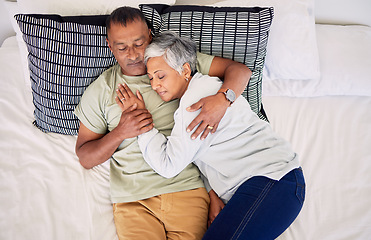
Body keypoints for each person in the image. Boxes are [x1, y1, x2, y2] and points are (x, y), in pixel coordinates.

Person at [74, 6, 252, 240]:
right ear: (110, 46)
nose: (133, 54)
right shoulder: (102, 90)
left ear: (150, 35)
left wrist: (222, 100)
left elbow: (239, 71)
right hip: (134, 199)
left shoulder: (175, 62)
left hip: (187, 188)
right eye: (122, 47)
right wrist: (121, 132)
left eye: (139, 44)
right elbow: (85, 157)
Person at [117, 31, 305, 239]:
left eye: (161, 76)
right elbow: (206, 150)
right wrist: (213, 193)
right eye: (151, 78)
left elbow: (168, 165)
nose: (154, 85)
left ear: (185, 70)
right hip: (271, 185)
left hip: (273, 181)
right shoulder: (207, 87)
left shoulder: (195, 104)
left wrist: (141, 121)